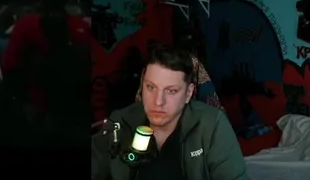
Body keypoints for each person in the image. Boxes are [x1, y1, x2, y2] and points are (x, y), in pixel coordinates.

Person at [91, 45, 246, 180]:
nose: (158, 101)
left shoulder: (211, 125)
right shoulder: (121, 122)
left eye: (171, 91)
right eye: (151, 87)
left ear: (188, 93)